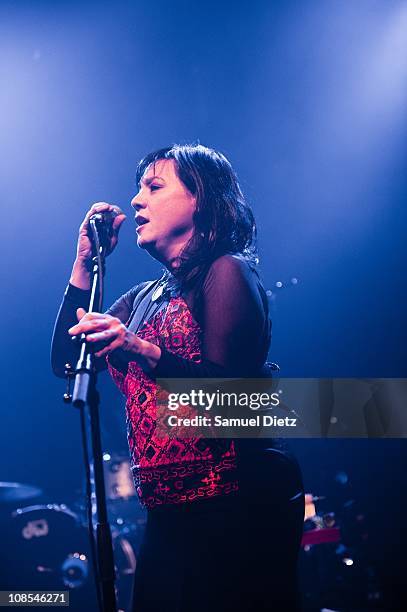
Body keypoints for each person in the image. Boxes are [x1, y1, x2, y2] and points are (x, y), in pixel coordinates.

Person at [52, 144, 304, 611]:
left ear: (199, 199)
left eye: (154, 186)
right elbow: (69, 359)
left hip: (240, 500)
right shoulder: (142, 298)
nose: (136, 202)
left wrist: (142, 350)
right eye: (137, 190)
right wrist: (85, 263)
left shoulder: (227, 270)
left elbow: (229, 399)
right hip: (170, 510)